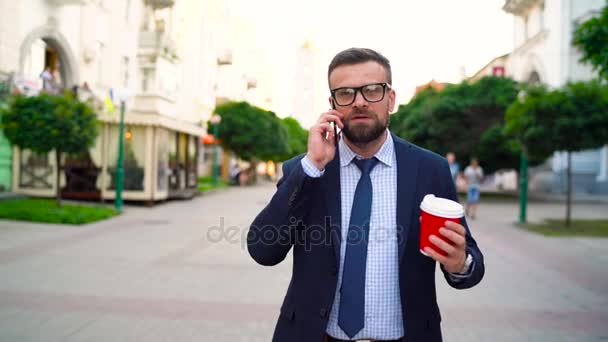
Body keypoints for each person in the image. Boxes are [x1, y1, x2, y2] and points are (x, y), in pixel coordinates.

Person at [247, 48, 484, 342]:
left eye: (372, 90)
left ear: (391, 99)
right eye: (346, 93)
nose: (359, 101)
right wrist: (312, 167)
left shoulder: (430, 169)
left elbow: (470, 264)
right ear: (332, 104)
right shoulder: (307, 169)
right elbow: (262, 249)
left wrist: (459, 263)